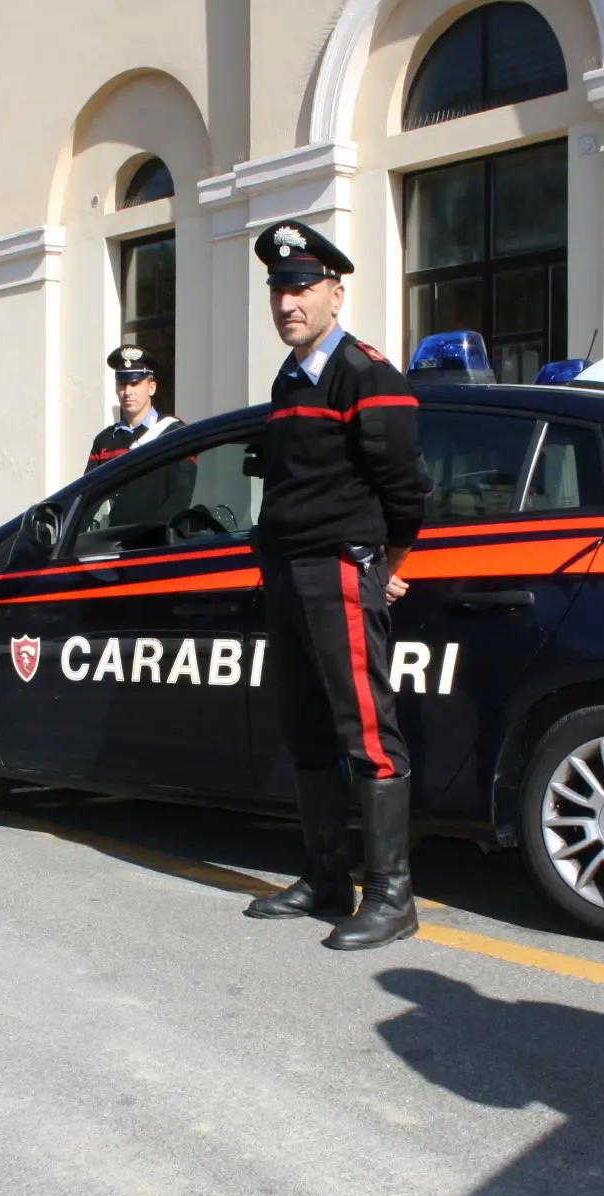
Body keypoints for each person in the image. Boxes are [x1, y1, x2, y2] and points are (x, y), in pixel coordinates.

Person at [242, 220, 432, 951]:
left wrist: (391, 568)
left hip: (338, 570)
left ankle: (393, 896)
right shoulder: (292, 378)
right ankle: (326, 875)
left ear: (334, 292)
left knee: (368, 732)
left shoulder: (367, 374)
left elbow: (407, 491)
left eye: (300, 287)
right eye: (278, 290)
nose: (288, 302)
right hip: (290, 574)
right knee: (306, 728)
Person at [83, 345, 194, 528]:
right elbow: (87, 499)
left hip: (161, 546)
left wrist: (149, 539)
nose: (127, 392)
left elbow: (180, 496)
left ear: (151, 387)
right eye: (122, 384)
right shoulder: (104, 442)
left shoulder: (175, 433)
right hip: (117, 545)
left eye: (135, 384)